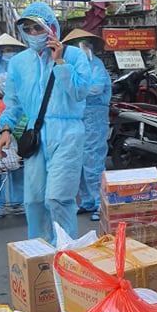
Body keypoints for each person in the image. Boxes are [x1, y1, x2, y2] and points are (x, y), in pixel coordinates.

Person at [0, 2, 91, 245]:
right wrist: (5, 129)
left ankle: (67, 253)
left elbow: (80, 92)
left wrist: (60, 62)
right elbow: (13, 103)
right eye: (28, 29)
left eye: (39, 28)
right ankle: (40, 254)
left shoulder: (75, 56)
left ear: (52, 28)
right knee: (35, 201)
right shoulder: (18, 63)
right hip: (36, 135)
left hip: (68, 133)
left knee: (58, 198)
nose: (34, 34)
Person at [63, 29, 112, 220]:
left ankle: (102, 203)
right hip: (77, 116)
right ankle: (88, 201)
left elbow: (95, 88)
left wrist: (76, 90)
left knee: (93, 160)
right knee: (80, 160)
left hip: (94, 116)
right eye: (77, 46)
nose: (82, 49)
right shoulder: (71, 67)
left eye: (84, 45)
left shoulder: (96, 66)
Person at [0, 33, 26, 218]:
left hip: (19, 122)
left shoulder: (22, 68)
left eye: (11, 50)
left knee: (17, 164)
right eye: (4, 50)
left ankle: (17, 202)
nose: (8, 53)